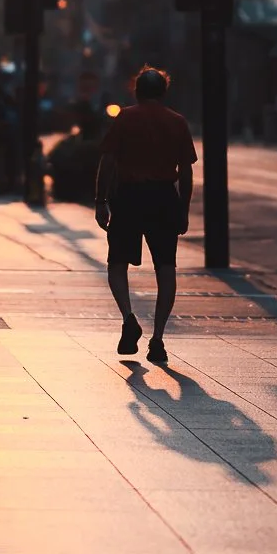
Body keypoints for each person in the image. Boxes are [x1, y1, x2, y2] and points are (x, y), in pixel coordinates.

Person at [94, 65, 196, 366]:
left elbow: (107, 162)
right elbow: (186, 172)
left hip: (128, 197)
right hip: (163, 198)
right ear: (164, 91)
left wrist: (101, 201)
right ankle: (158, 339)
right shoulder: (177, 122)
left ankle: (128, 318)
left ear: (137, 90)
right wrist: (183, 208)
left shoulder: (125, 118)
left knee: (117, 263)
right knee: (166, 267)